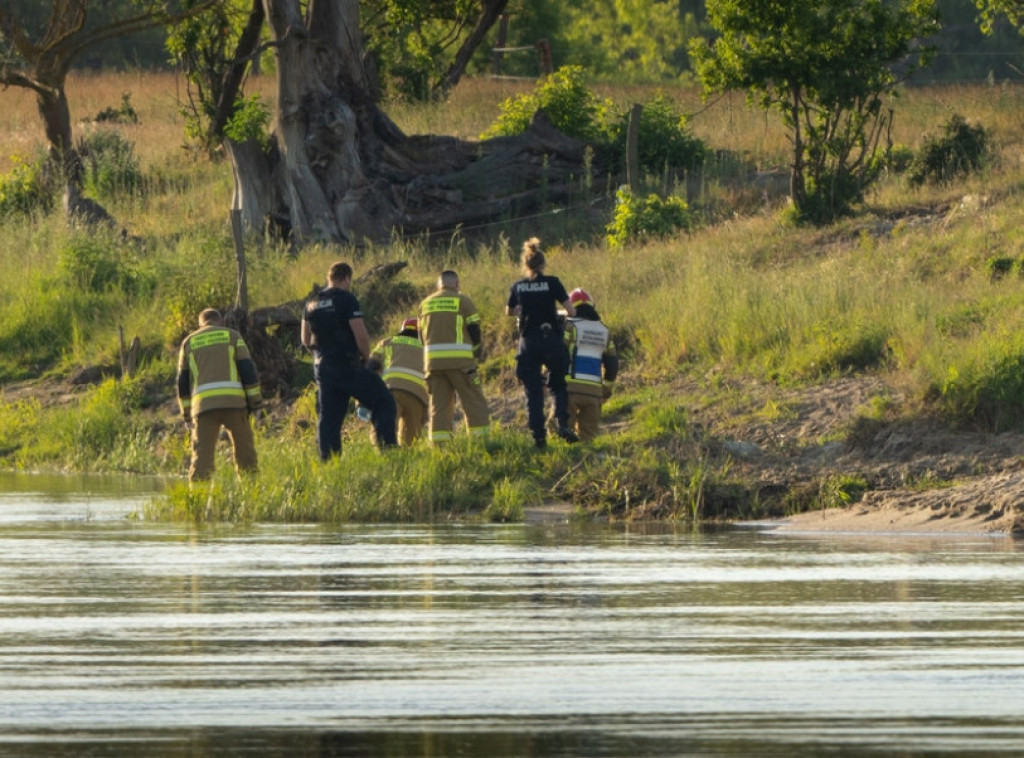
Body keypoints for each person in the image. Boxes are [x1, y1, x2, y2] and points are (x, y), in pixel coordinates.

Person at [301, 262, 397, 460]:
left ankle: (329, 462)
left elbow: (305, 338)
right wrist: (366, 357)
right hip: (348, 365)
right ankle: (388, 452)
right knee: (384, 402)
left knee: (329, 419)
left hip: (324, 368)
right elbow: (360, 334)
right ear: (346, 278)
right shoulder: (346, 299)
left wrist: (321, 352)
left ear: (329, 277)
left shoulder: (311, 302)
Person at [506, 237, 578, 449]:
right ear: (543, 264)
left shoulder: (518, 286)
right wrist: (558, 313)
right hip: (552, 341)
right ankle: (562, 423)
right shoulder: (553, 282)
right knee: (558, 384)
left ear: (525, 264)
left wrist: (524, 311)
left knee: (534, 391)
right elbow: (571, 311)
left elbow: (509, 311)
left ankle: (539, 438)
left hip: (529, 342)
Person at [176, 308, 262, 483]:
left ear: (200, 325)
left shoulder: (188, 342)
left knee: (202, 458)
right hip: (234, 404)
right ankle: (251, 494)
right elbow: (248, 371)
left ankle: (198, 501)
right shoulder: (233, 336)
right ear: (220, 322)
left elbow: (182, 383)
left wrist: (186, 414)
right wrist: (255, 404)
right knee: (245, 453)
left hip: (204, 407)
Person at [418, 270, 490, 443]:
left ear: (439, 285)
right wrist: (477, 350)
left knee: (439, 407)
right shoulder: (463, 300)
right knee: (474, 402)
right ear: (456, 284)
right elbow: (474, 329)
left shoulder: (425, 304)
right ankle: (479, 444)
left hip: (433, 365)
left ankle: (439, 448)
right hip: (461, 363)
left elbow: (421, 336)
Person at [556, 288, 619, 442]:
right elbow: (612, 365)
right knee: (589, 440)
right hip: (594, 393)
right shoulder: (604, 331)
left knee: (559, 433)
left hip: (569, 390)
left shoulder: (570, 327)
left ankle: (561, 463)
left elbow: (558, 354)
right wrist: (606, 390)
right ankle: (589, 462)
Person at [368, 317, 428, 446]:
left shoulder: (387, 342)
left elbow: (371, 365)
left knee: (383, 430)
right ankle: (405, 460)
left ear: (402, 329)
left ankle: (384, 456)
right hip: (418, 396)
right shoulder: (427, 348)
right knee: (410, 440)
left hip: (390, 391)